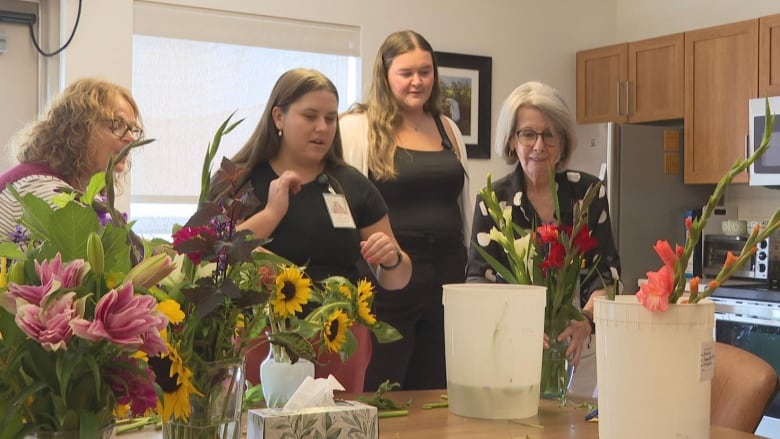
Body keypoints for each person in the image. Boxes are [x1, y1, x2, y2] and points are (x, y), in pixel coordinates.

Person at [209, 68, 412, 392]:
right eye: (310, 116)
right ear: (278, 116)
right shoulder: (236, 179)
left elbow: (398, 277)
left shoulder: (352, 184)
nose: (322, 128)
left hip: (339, 338)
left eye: (331, 118)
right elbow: (213, 256)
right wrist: (273, 212)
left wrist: (392, 260)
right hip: (260, 339)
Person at [340, 30, 470, 391]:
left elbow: (461, 206)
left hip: (447, 277)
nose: (418, 81)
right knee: (380, 389)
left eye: (425, 71)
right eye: (406, 73)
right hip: (386, 280)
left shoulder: (448, 128)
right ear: (385, 76)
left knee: (437, 392)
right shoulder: (355, 128)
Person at [466, 81, 621, 368]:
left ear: (562, 143)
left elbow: (606, 276)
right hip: (508, 350)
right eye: (528, 134)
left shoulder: (588, 194)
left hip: (575, 351)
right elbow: (477, 281)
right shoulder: (492, 200)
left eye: (549, 135)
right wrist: (514, 325)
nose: (539, 146)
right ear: (512, 141)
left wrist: (585, 321)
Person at [0, 78, 144, 240]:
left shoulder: (82, 193)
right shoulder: (39, 190)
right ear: (79, 129)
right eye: (117, 124)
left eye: (133, 129)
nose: (131, 138)